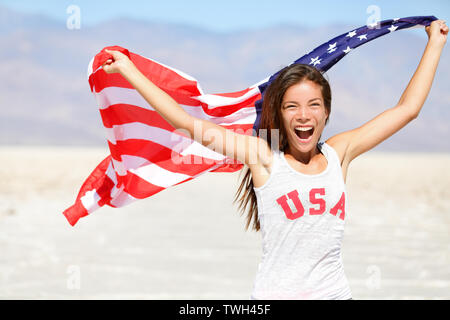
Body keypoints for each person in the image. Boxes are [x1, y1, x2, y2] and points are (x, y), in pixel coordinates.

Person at [101, 20, 448, 299]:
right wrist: (129, 71)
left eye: (314, 105)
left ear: (326, 112)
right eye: (291, 106)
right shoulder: (263, 157)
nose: (303, 115)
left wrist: (435, 43)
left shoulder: (340, 152)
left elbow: (407, 110)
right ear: (279, 114)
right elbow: (186, 123)